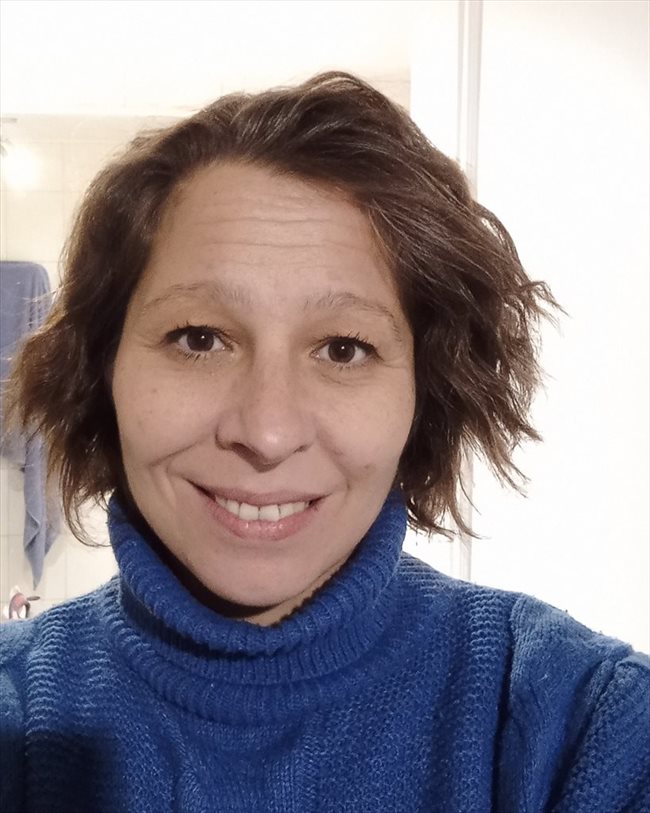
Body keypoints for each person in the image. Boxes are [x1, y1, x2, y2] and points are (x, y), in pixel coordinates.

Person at [0, 71, 648, 812]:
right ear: (102, 368)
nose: (267, 432)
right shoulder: (19, 721)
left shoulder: (589, 728)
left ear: (426, 393)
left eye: (343, 348)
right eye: (199, 338)